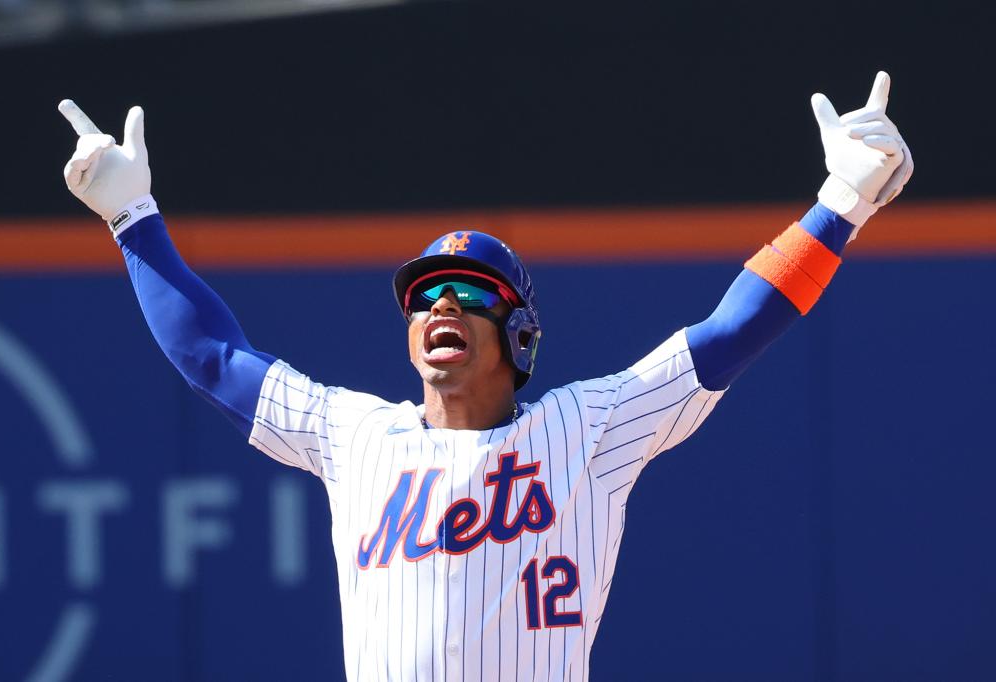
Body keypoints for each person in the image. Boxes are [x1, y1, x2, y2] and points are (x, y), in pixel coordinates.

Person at [58, 71, 912, 681]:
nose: (441, 307)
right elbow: (212, 357)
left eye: (469, 294)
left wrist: (842, 203)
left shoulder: (589, 427)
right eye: (423, 295)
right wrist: (133, 219)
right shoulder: (355, 436)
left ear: (520, 331)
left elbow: (731, 332)